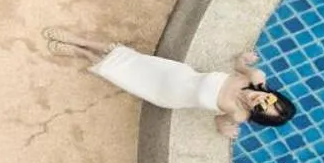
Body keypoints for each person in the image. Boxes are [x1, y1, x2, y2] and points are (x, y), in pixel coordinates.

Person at [42, 30, 297, 138]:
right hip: (175, 74)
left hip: (167, 94)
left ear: (257, 115)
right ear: (272, 94)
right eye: (269, 99)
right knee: (133, 60)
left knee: (121, 74)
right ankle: (80, 41)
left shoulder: (239, 114)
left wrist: (224, 129)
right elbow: (239, 64)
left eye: (261, 108)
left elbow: (220, 120)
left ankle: (80, 53)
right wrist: (245, 58)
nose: (260, 101)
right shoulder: (254, 78)